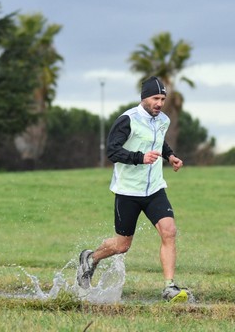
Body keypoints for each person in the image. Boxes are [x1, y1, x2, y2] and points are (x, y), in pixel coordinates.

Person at [77, 76, 190, 303]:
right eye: (155, 98)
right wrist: (140, 157)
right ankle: (90, 259)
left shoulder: (163, 120)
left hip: (155, 189)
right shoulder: (128, 119)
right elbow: (112, 151)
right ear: (144, 98)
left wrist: (170, 156)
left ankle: (169, 287)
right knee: (121, 245)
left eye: (162, 99)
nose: (159, 103)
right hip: (128, 191)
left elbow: (158, 142)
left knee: (169, 231)